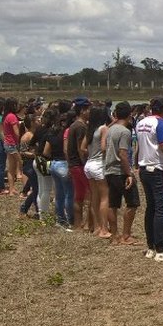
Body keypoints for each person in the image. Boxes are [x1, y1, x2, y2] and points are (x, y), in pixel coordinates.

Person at [136, 97, 163, 260]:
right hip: (157, 168)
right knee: (161, 209)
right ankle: (161, 248)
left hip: (144, 168)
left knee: (151, 207)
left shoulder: (141, 122)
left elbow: (138, 145)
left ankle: (150, 245)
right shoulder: (162, 124)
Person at [103, 102, 140, 245]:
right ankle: (126, 235)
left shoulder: (110, 130)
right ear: (130, 114)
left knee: (113, 204)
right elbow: (123, 154)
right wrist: (129, 174)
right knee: (132, 203)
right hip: (120, 172)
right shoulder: (124, 132)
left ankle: (114, 235)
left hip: (109, 170)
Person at [83, 107, 111, 238]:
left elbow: (82, 147)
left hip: (89, 164)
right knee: (105, 197)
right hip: (99, 164)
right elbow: (104, 147)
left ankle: (97, 226)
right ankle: (104, 229)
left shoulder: (90, 129)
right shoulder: (103, 128)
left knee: (94, 196)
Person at [67, 98, 92, 232]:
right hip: (80, 165)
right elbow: (80, 149)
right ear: (82, 110)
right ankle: (88, 224)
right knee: (91, 195)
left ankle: (77, 224)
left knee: (79, 196)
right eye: (88, 109)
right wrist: (86, 163)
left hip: (73, 164)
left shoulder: (73, 125)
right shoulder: (81, 126)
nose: (89, 112)